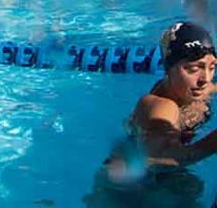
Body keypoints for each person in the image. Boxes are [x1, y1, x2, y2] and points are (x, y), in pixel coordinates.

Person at [88, 23, 217, 205]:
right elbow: (159, 157)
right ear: (168, 68)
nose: (205, 79)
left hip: (157, 177)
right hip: (125, 186)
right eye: (194, 69)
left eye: (211, 67)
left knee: (192, 187)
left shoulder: (190, 88)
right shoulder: (162, 106)